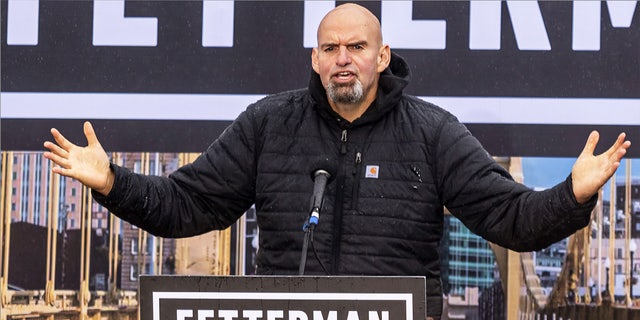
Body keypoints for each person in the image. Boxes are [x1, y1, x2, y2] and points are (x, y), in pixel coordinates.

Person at [43, 3, 630, 319]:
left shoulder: (432, 132)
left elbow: (511, 218)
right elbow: (189, 205)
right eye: (330, 48)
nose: (343, 59)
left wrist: (574, 195)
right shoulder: (269, 123)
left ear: (383, 55)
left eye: (356, 47)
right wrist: (113, 183)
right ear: (316, 59)